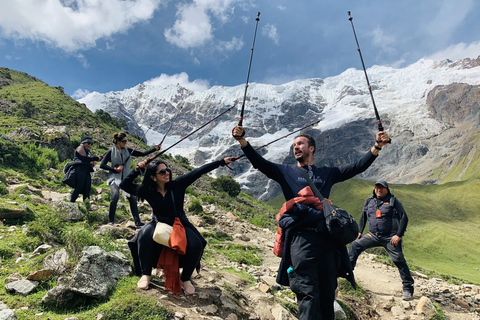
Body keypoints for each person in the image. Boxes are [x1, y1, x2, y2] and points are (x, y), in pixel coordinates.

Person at [232, 125, 390, 320]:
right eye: (294, 145)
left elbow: (356, 167)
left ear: (311, 148)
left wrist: (377, 147)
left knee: (327, 293)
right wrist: (242, 142)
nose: (296, 147)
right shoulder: (284, 171)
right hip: (301, 240)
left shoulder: (327, 173)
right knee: (307, 293)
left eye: (300, 143)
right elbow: (260, 163)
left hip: (327, 240)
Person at [120, 156, 234, 293]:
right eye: (162, 172)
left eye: (167, 169)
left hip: (179, 222)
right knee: (143, 236)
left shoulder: (178, 184)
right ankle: (146, 274)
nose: (167, 173)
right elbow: (124, 185)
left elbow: (198, 171)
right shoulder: (147, 190)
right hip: (158, 222)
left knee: (196, 244)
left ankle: (185, 279)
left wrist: (221, 162)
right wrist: (138, 169)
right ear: (153, 177)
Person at [348, 180, 414, 301]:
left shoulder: (393, 201)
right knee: (355, 246)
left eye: (382, 188)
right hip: (372, 235)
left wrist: (398, 235)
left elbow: (404, 218)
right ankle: (347, 275)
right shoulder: (369, 201)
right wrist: (359, 231)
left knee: (398, 259)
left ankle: (408, 288)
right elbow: (363, 217)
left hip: (390, 237)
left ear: (387, 190)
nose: (379, 189)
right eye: (377, 187)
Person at [100, 132, 160, 228]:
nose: (125, 143)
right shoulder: (111, 152)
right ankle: (110, 221)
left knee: (132, 199)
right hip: (114, 178)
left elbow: (142, 154)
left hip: (126, 179)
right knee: (115, 196)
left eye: (126, 141)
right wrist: (114, 169)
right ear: (118, 141)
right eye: (123, 141)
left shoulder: (128, 150)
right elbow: (102, 165)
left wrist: (155, 149)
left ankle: (138, 223)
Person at [70, 136, 103, 203]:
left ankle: (86, 205)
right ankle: (71, 202)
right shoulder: (80, 148)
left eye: (90, 144)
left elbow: (88, 160)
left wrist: (93, 163)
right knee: (79, 187)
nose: (89, 145)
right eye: (88, 143)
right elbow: (84, 158)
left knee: (87, 189)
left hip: (87, 171)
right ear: (84, 143)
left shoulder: (88, 152)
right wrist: (96, 158)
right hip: (80, 170)